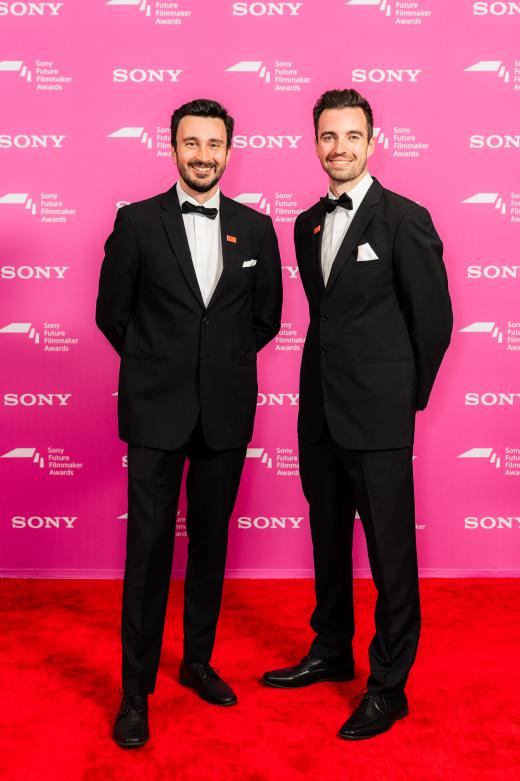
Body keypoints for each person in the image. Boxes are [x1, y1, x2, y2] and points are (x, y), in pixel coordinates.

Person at [262, 89, 452, 740]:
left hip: (378, 421)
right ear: (315, 143)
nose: (337, 147)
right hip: (319, 413)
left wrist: (402, 400)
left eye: (350, 135)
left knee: (392, 557)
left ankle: (388, 687)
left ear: (375, 141)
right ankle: (331, 648)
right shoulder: (306, 223)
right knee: (326, 541)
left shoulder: (405, 219)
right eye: (326, 136)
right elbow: (328, 318)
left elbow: (434, 322)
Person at [96, 98, 282, 748]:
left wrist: (214, 369)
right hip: (154, 410)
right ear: (172, 147)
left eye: (214, 144)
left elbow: (265, 321)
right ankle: (135, 690)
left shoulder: (258, 230)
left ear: (230, 150)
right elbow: (111, 313)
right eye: (191, 143)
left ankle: (197, 659)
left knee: (210, 544)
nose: (203, 154)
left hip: (225, 413)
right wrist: (159, 366)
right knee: (147, 554)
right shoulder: (137, 222)